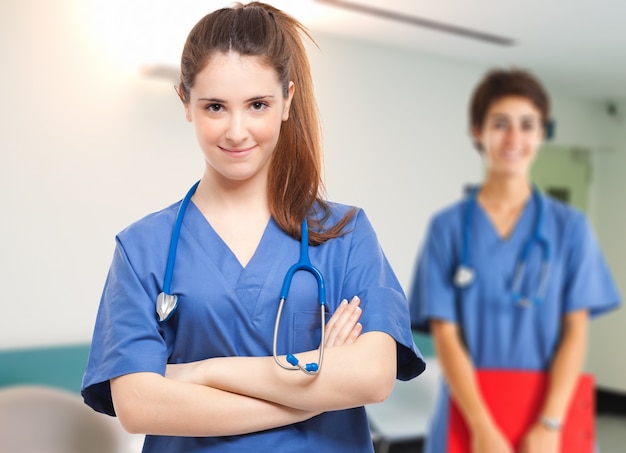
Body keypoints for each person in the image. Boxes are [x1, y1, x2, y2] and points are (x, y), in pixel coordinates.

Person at [81, 2, 425, 452]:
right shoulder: (143, 249)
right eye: (216, 107)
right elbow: (140, 405)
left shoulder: (344, 233)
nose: (237, 131)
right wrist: (313, 391)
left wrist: (202, 372)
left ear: (287, 100)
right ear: (185, 102)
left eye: (258, 104)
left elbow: (372, 377)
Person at [408, 68, 620, 453]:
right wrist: (482, 428)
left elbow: (576, 331)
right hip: (470, 415)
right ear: (478, 131)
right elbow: (445, 334)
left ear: (542, 133)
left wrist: (550, 422)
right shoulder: (448, 228)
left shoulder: (570, 228)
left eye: (527, 125)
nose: (514, 138)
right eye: (500, 124)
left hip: (548, 413)